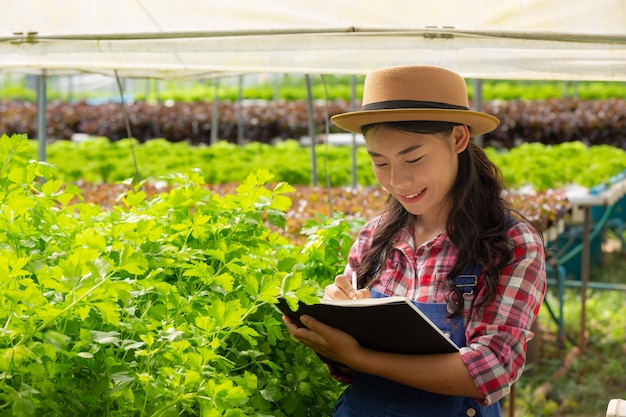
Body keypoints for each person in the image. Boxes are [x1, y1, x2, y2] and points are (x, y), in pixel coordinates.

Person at [282, 65, 547, 417]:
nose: (398, 181)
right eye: (380, 163)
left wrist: (360, 356)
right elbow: (347, 371)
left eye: (414, 158)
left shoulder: (511, 242)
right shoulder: (374, 238)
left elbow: (491, 369)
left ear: (458, 139)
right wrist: (335, 325)